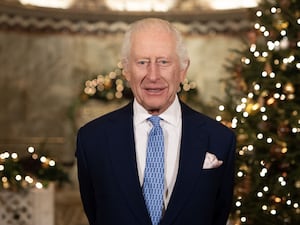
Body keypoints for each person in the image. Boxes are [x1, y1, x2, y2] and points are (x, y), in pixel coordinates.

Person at [76, 18, 236, 225]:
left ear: (182, 69)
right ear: (126, 69)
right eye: (142, 62)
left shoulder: (220, 140)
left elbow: (218, 214)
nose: (153, 76)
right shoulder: (92, 140)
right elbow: (95, 213)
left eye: (163, 62)